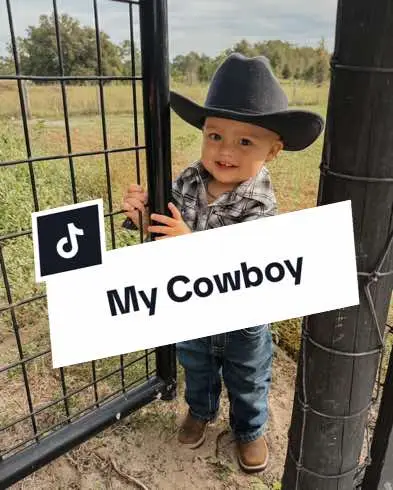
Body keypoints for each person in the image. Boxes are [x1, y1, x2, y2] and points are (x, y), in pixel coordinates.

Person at [122, 53, 324, 473]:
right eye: (215, 135)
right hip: (192, 310)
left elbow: (239, 262)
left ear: (275, 149)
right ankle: (201, 409)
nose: (225, 150)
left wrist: (189, 243)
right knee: (195, 363)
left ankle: (250, 430)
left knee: (248, 376)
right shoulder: (188, 180)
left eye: (245, 141)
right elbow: (166, 227)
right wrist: (145, 218)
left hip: (243, 319)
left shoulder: (261, 202)